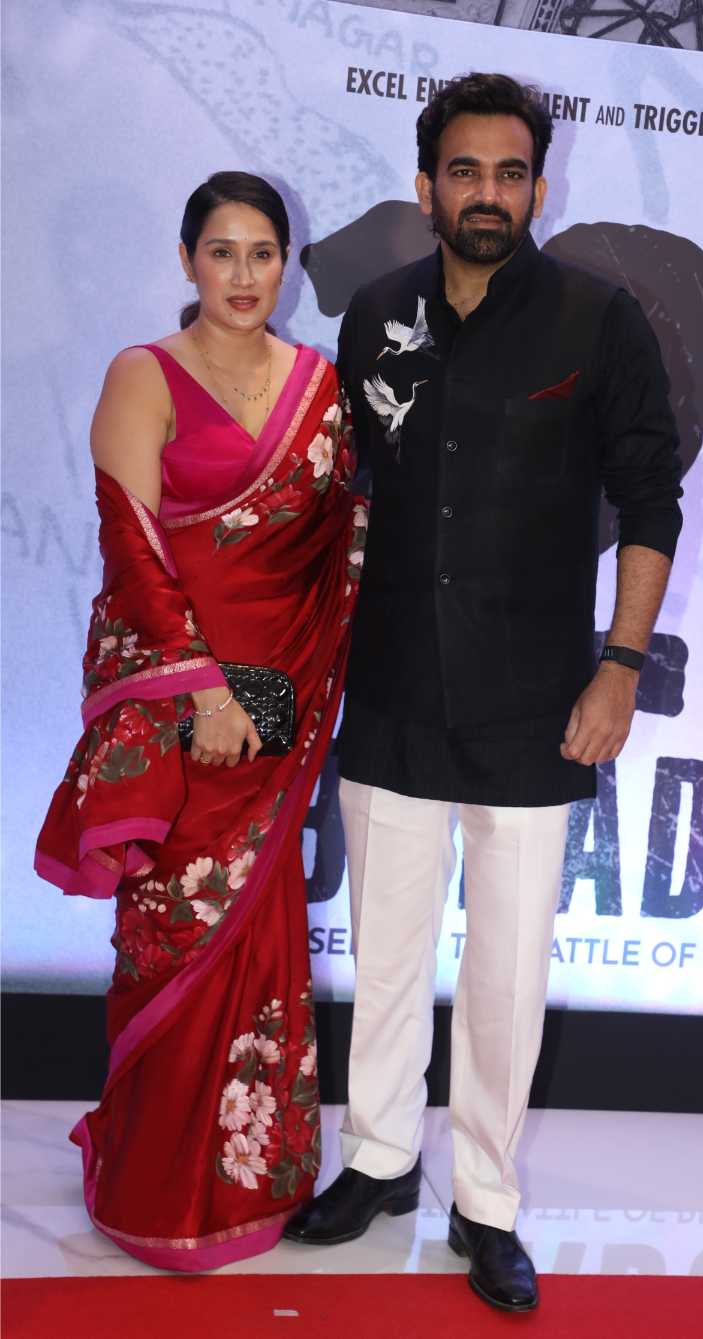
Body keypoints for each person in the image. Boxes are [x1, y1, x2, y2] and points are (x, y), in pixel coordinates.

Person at [284, 75, 683, 1312]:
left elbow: (650, 500)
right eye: (465, 172)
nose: (488, 195)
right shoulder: (373, 314)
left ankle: (487, 1204)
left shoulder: (596, 320)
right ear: (426, 187)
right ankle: (377, 1158)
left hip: (535, 703)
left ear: (537, 189)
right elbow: (342, 495)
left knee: (506, 973)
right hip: (392, 687)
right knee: (386, 954)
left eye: (510, 174)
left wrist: (619, 666)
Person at [35, 171, 365, 1271]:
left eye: (262, 253)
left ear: (286, 263)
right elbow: (131, 546)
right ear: (188, 261)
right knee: (171, 939)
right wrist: (204, 693)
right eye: (221, 252)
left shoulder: (319, 385)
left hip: (277, 714)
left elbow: (345, 536)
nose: (242, 274)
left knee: (258, 936)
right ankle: (149, 1183)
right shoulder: (143, 373)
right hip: (186, 716)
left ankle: (249, 1180)